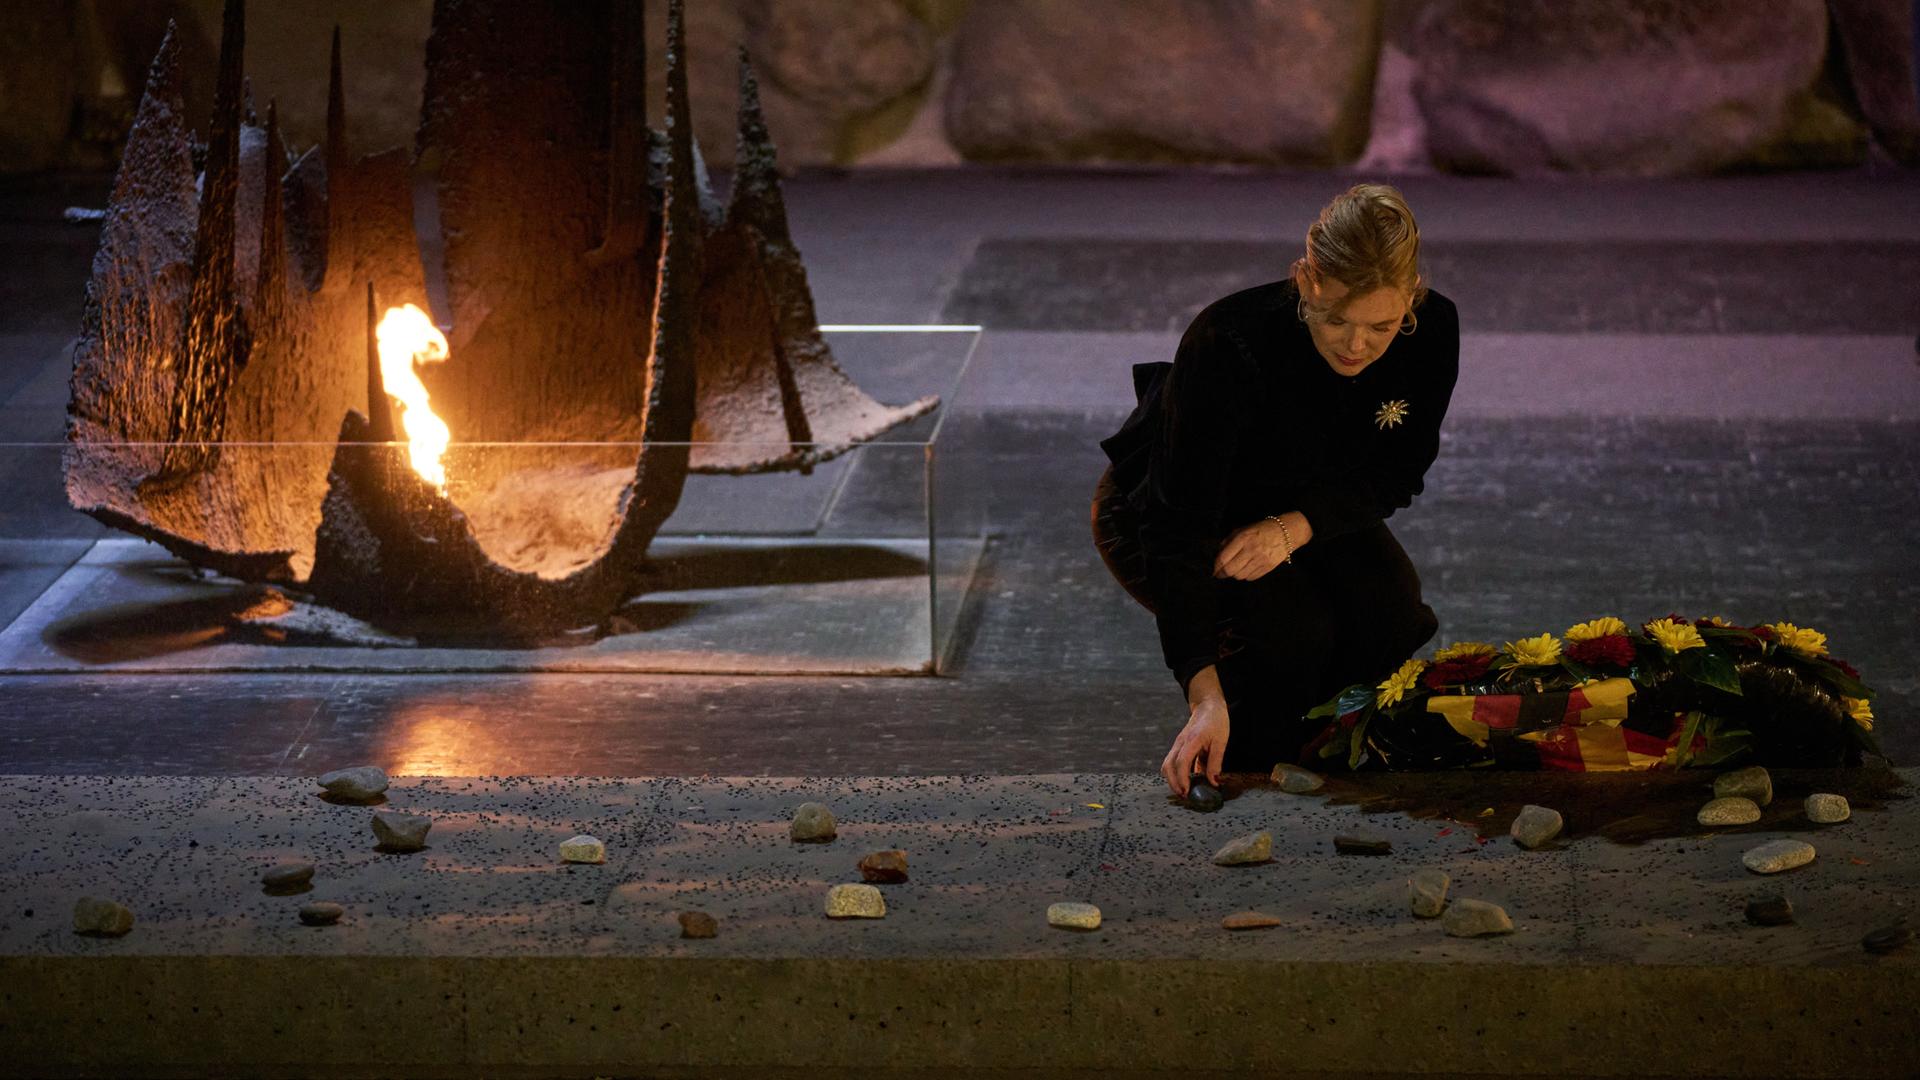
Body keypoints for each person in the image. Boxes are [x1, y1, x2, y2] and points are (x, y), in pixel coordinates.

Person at [1091, 183, 1459, 798]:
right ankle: (1246, 760)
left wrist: (1294, 525)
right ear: (1306, 282)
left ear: (1412, 298)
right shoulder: (1228, 342)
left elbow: (1397, 471)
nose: (1357, 344)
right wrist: (1202, 695)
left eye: (1382, 325)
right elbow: (1175, 527)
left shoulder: (1433, 328)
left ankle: (1331, 755)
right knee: (1290, 633)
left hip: (1302, 500)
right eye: (1336, 318)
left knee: (1390, 610)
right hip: (1168, 507)